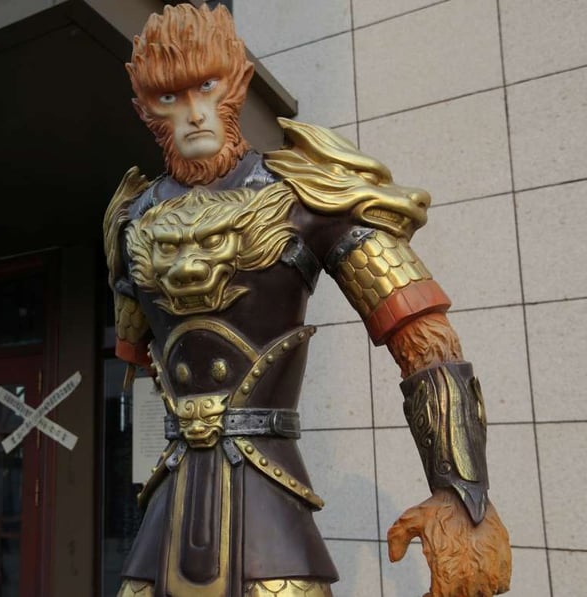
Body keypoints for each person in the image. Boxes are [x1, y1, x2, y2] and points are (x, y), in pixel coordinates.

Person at [103, 5, 512, 597]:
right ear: (145, 109)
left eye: (206, 86)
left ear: (237, 82)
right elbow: (135, 358)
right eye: (169, 98)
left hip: (272, 507)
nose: (193, 113)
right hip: (168, 506)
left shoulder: (309, 191)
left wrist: (461, 491)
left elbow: (426, 339)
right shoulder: (129, 220)